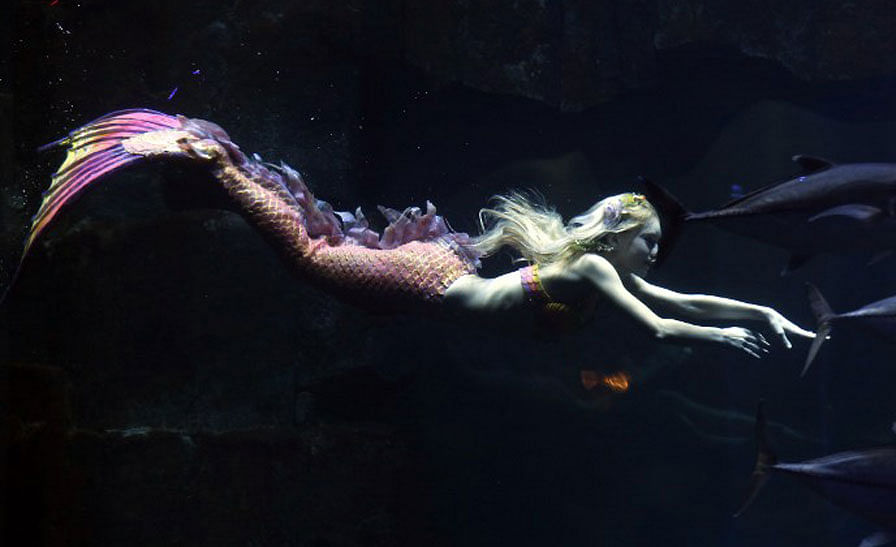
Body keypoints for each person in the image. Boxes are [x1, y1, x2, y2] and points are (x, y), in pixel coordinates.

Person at [14, 109, 813, 358]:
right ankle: (206, 160)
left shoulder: (593, 267)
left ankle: (210, 179)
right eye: (649, 245)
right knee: (309, 251)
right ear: (620, 236)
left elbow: (684, 296)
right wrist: (723, 339)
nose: (653, 259)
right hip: (433, 282)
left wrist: (759, 313)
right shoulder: (596, 276)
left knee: (316, 236)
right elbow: (668, 322)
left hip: (433, 280)